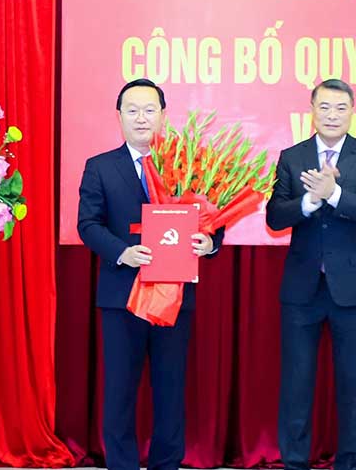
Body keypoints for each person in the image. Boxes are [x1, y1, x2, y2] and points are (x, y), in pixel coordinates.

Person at [77, 78, 221, 470]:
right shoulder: (100, 167)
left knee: (170, 390)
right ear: (119, 116)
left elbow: (211, 220)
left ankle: (166, 465)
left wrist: (209, 244)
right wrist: (123, 251)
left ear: (163, 115)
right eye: (133, 110)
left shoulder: (187, 166)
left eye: (149, 110)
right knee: (120, 392)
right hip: (122, 297)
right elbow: (88, 225)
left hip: (174, 298)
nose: (142, 118)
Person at [266, 78, 356, 470]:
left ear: (352, 112)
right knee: (296, 385)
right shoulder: (291, 156)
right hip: (302, 290)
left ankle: (352, 463)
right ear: (312, 110)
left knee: (353, 386)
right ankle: (295, 462)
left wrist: (334, 195)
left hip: (352, 292)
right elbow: (274, 217)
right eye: (325, 107)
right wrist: (308, 200)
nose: (332, 115)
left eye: (340, 108)